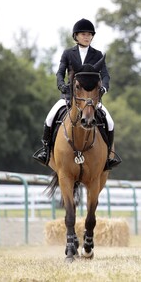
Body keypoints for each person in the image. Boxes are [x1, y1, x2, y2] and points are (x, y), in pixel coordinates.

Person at [33, 18, 121, 170]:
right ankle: (46, 151)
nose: (86, 37)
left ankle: (108, 157)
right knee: (50, 117)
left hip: (92, 98)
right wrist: (61, 84)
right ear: (76, 36)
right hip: (70, 96)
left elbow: (105, 75)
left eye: (89, 34)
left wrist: (104, 88)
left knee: (110, 122)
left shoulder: (98, 54)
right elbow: (60, 72)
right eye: (83, 34)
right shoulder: (68, 53)